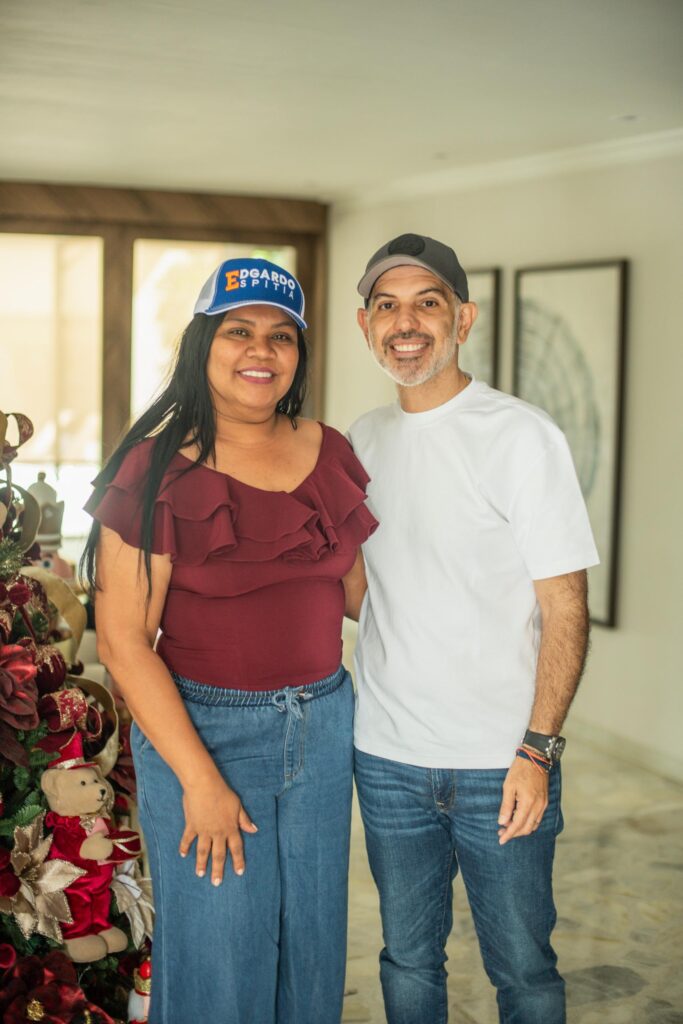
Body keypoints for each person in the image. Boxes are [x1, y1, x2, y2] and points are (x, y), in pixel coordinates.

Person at [82, 257, 376, 1024]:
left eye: (282, 336)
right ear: (202, 345)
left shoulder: (330, 449)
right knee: (220, 962)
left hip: (323, 725)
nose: (261, 350)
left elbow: (358, 596)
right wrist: (199, 781)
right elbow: (123, 643)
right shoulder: (152, 468)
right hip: (205, 731)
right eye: (238, 331)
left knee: (310, 952)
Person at [346, 233, 599, 1024]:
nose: (405, 323)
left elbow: (565, 608)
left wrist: (537, 749)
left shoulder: (520, 436)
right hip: (386, 756)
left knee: (523, 970)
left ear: (463, 318)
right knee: (406, 960)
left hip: (501, 761)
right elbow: (367, 591)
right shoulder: (361, 440)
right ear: (365, 325)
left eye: (427, 303)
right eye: (387, 305)